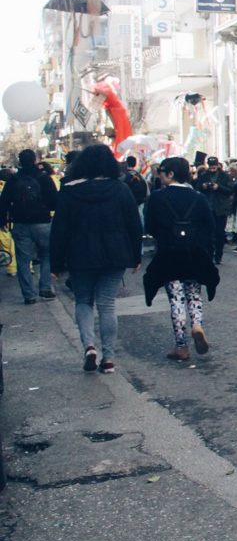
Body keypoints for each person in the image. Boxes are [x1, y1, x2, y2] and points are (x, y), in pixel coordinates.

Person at [49, 143, 142, 374]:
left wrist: (56, 263)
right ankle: (108, 358)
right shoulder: (121, 189)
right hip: (115, 254)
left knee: (83, 301)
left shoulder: (69, 191)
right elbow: (134, 224)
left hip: (80, 256)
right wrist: (136, 255)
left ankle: (89, 346)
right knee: (107, 304)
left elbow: (59, 230)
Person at [143, 157, 219, 362]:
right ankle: (197, 326)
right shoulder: (199, 197)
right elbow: (209, 227)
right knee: (194, 294)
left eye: (161, 172)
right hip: (194, 253)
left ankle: (181, 346)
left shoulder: (157, 197)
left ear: (170, 174)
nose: (159, 176)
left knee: (176, 298)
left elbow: (150, 226)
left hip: (169, 253)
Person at [0, 149, 59, 304]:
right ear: (35, 160)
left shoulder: (13, 180)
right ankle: (45, 288)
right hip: (43, 223)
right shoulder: (44, 178)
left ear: (19, 162)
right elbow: (55, 202)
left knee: (23, 260)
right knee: (46, 255)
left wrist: (3, 221)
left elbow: (3, 202)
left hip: (20, 224)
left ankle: (29, 295)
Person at [194, 156, 235, 264]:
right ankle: (209, 254)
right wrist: (203, 186)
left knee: (219, 233)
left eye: (214, 165)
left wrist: (219, 187)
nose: (212, 167)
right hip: (208, 208)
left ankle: (218, 255)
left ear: (217, 165)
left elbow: (230, 190)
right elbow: (196, 189)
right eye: (210, 165)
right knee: (208, 233)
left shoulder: (225, 176)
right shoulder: (203, 175)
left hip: (220, 209)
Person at [122, 155, 149, 228]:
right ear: (135, 164)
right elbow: (147, 192)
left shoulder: (123, 175)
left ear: (127, 163)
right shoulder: (140, 176)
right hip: (139, 202)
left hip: (127, 203)